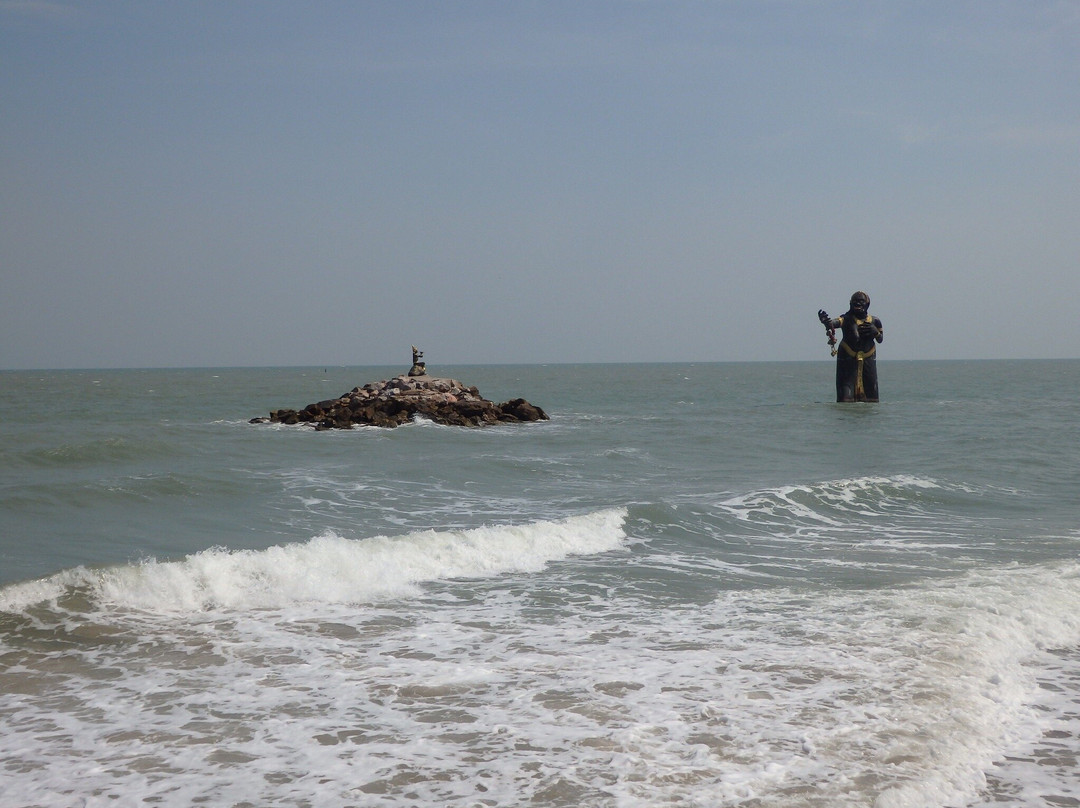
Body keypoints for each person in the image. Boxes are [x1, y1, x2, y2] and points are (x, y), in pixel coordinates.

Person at [817, 291, 883, 402]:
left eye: (861, 301)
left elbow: (880, 339)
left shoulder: (875, 321)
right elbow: (833, 323)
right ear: (850, 304)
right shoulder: (846, 319)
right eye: (855, 301)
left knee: (871, 391)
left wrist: (875, 331)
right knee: (846, 391)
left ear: (867, 304)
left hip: (868, 357)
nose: (857, 304)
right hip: (848, 357)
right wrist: (827, 323)